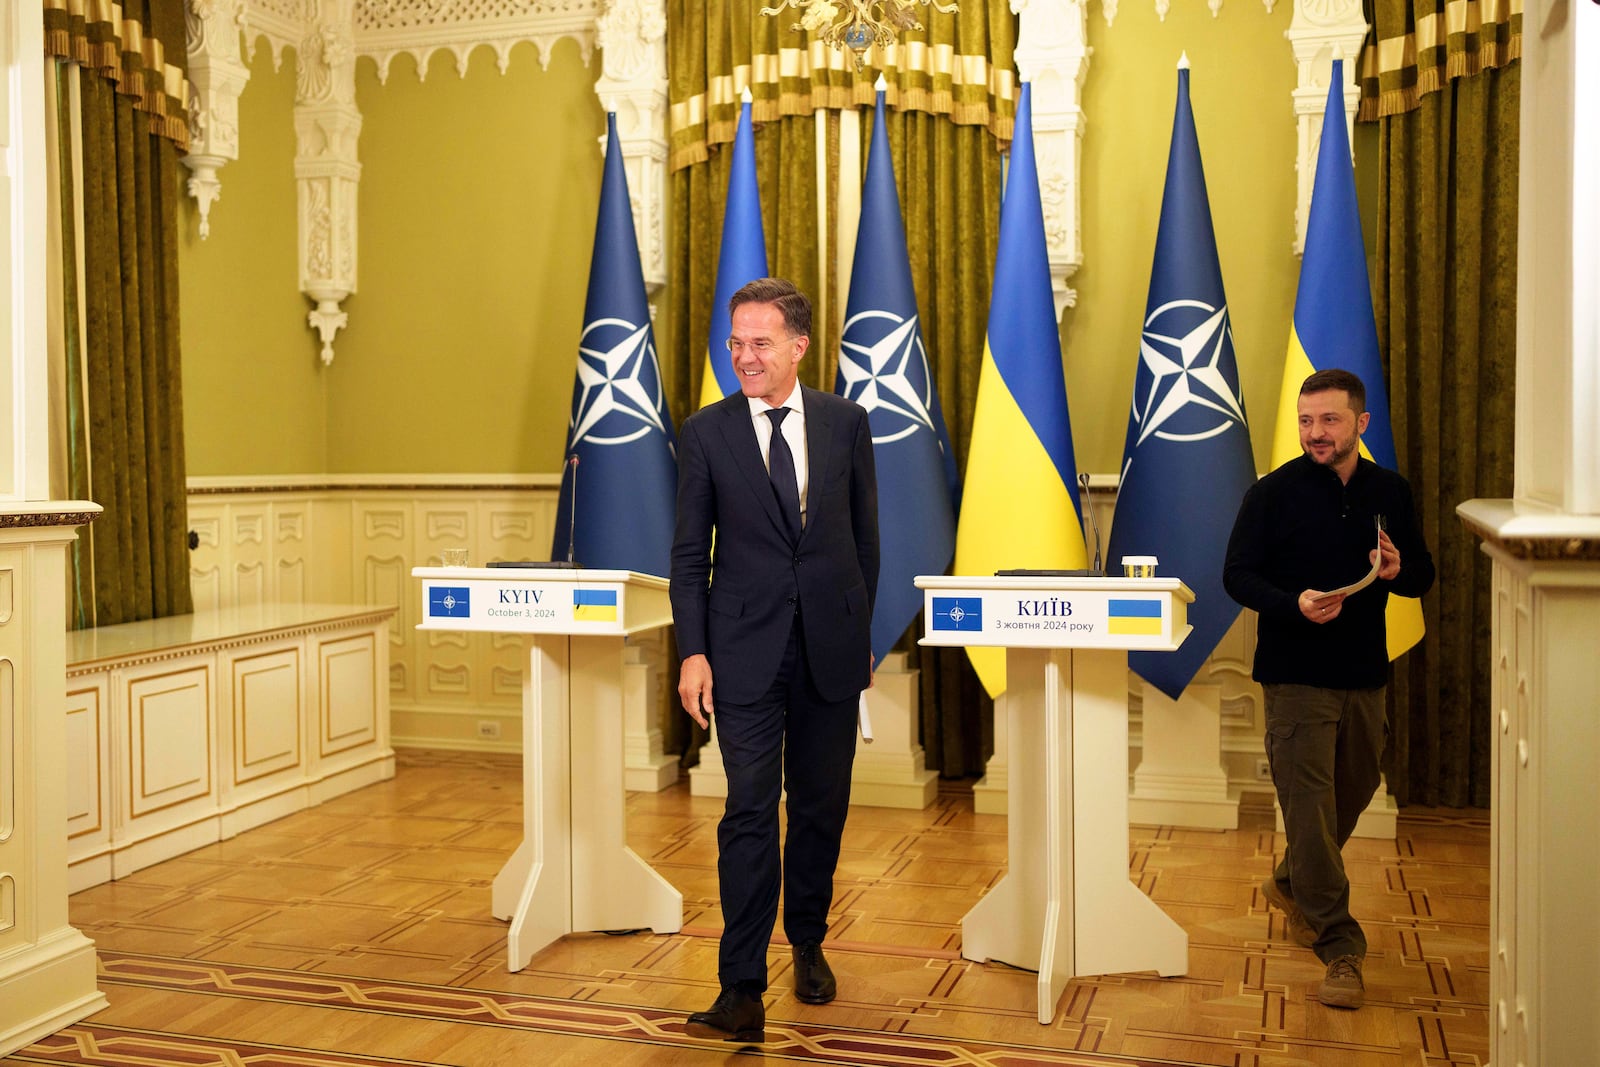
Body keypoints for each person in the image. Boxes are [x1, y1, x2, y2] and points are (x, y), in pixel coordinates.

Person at [670, 277, 879, 1043]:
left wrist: (858, 631)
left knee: (820, 808)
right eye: (735, 343)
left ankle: (810, 941)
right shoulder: (705, 432)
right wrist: (693, 650)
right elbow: (690, 554)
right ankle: (741, 983)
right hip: (742, 654)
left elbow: (866, 542)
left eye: (760, 343)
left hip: (830, 652)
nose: (744, 357)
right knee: (749, 812)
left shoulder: (846, 423)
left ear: (798, 345)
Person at [1222, 368, 1434, 1011]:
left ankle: (1291, 881)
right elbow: (1236, 575)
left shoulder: (1389, 491)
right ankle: (1340, 947)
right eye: (1306, 420)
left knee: (1358, 786)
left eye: (1330, 420)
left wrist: (1399, 571)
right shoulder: (1272, 493)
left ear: (1360, 425)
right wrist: (1293, 603)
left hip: (1365, 672)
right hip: (1294, 675)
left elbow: (1422, 575)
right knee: (1309, 811)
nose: (1316, 433)